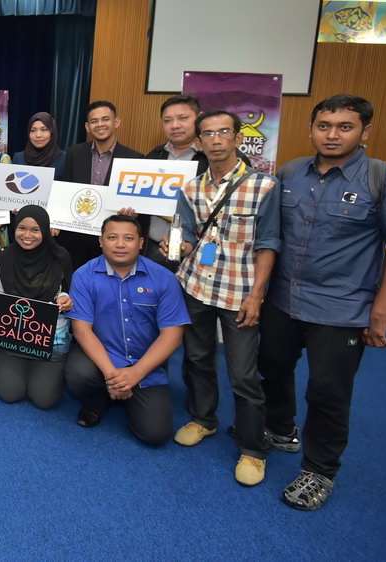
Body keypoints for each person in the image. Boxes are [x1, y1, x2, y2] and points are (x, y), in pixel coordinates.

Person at [259, 94, 386, 510]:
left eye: (345, 127)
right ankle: (280, 429)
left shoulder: (378, 177)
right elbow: (271, 235)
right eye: (324, 126)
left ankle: (319, 469)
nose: (332, 135)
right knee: (272, 366)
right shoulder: (291, 172)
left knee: (328, 389)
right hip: (283, 298)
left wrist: (381, 310)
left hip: (342, 307)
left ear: (365, 132)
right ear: (312, 129)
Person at [165, 110, 279, 487]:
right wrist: (176, 247)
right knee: (198, 359)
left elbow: (268, 244)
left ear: (237, 138)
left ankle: (253, 449)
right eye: (208, 135)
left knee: (243, 374)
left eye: (223, 132)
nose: (215, 140)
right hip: (196, 286)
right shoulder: (191, 189)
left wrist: (257, 295)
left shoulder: (263, 186)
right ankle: (204, 419)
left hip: (240, 292)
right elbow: (185, 236)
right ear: (199, 142)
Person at [65, 215, 189, 446]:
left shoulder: (164, 278)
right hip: (103, 358)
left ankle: (124, 394)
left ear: (141, 242)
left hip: (145, 362)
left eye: (128, 238)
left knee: (155, 434)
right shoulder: (83, 275)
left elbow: (172, 335)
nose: (120, 244)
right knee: (78, 373)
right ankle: (99, 398)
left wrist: (135, 373)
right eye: (112, 237)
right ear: (101, 241)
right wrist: (112, 375)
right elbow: (82, 330)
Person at [0, 205, 74, 409]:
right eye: (22, 228)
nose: (27, 235)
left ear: (45, 230)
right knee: (10, 393)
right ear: (15, 228)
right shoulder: (2, 256)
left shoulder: (60, 257)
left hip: (49, 338)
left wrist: (65, 299)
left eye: (35, 230)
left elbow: (66, 290)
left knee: (44, 399)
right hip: (10, 336)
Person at [61, 101, 144, 269]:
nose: (100, 124)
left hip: (113, 238)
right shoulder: (74, 153)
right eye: (94, 121)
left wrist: (133, 211)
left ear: (116, 122)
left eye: (105, 119)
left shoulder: (135, 158)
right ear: (87, 127)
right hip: (77, 236)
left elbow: (138, 202)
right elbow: (65, 189)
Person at [142, 95, 205, 267]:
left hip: (197, 251)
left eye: (182, 118)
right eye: (167, 120)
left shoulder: (212, 159)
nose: (175, 125)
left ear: (199, 118)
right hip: (152, 248)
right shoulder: (154, 156)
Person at [11, 112, 65, 176]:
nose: (38, 135)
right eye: (33, 130)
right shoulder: (18, 158)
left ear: (52, 132)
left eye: (44, 130)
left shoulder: (64, 158)